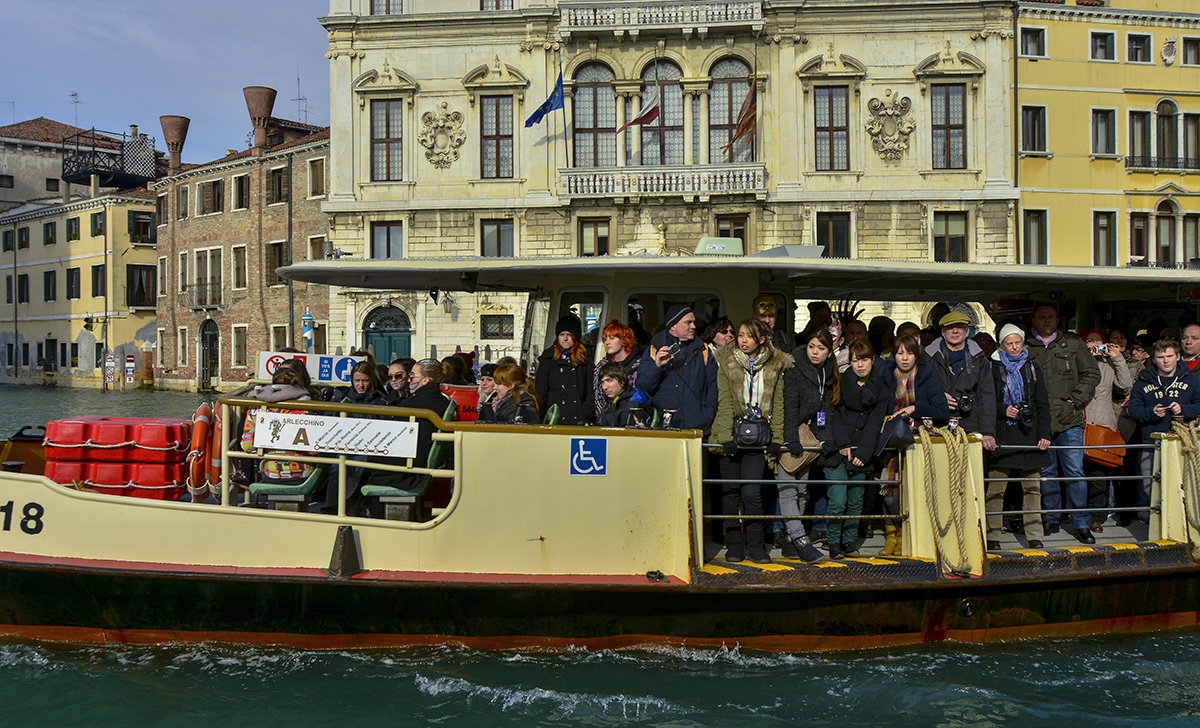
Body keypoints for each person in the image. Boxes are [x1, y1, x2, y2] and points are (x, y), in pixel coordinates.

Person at [710, 319, 792, 563]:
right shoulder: (726, 361)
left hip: (759, 437)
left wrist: (776, 437)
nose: (743, 340)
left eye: (749, 336)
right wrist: (725, 437)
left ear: (762, 339)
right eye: (741, 335)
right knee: (730, 493)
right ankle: (734, 545)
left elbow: (778, 403)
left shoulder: (777, 364)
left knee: (752, 493)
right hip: (731, 433)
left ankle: (756, 546)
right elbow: (724, 401)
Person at [1025, 304, 1100, 543]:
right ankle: (1051, 518)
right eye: (1042, 317)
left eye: (1051, 317)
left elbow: (1092, 373)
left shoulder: (1074, 343)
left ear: (1058, 319)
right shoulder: (1026, 346)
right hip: (1041, 421)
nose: (1047, 321)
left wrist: (1077, 400)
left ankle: (1080, 523)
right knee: (1046, 473)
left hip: (1069, 419)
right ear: (1034, 320)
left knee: (1075, 472)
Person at [878, 333, 949, 554]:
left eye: (909, 353)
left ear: (916, 355)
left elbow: (942, 411)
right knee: (888, 491)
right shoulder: (885, 375)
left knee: (917, 490)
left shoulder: (927, 375)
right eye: (900, 353)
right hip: (891, 441)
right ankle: (892, 536)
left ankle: (912, 535)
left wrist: (915, 408)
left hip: (919, 441)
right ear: (893, 355)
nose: (905, 358)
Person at [983, 324, 1052, 549]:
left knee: (1032, 489)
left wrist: (1044, 433)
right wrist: (1004, 410)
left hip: (1029, 433)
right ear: (1001, 345)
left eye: (1017, 342)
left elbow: (1042, 402)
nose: (1014, 347)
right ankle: (992, 536)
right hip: (1004, 433)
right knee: (996, 489)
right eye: (1009, 343)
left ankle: (1034, 534)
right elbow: (986, 400)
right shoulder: (992, 367)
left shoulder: (1032, 366)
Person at [776, 328, 837, 564]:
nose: (815, 352)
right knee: (788, 490)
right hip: (788, 434)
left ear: (829, 352)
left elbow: (826, 411)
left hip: (809, 438)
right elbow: (788, 406)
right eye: (812, 346)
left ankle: (790, 541)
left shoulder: (829, 374)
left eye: (821, 348)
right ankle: (801, 541)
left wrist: (825, 438)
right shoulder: (794, 368)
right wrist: (791, 439)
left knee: (802, 492)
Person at [824, 340, 889, 559]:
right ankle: (833, 541)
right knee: (838, 499)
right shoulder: (841, 382)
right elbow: (833, 414)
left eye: (864, 360)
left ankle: (849, 541)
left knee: (855, 500)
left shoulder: (881, 387)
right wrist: (842, 443)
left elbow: (875, 421)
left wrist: (863, 453)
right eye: (854, 360)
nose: (859, 365)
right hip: (838, 450)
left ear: (872, 361)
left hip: (862, 450)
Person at [1129, 338, 1200, 521]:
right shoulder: (1143, 380)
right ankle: (1148, 524)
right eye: (1161, 357)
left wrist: (1184, 409)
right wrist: (1151, 412)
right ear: (1153, 359)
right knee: (1148, 485)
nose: (1166, 361)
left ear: (1178, 357)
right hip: (1150, 442)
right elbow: (1134, 410)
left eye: (1169, 356)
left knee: (1182, 485)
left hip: (1182, 444)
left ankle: (1182, 523)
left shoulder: (1192, 380)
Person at [637, 304, 719, 435]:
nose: (693, 326)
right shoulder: (654, 350)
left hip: (697, 428)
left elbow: (713, 387)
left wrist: (707, 415)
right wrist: (657, 366)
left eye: (693, 322)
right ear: (673, 326)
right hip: (663, 430)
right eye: (688, 322)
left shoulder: (703, 350)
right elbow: (643, 387)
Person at [1080, 329, 1132, 532]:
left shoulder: (1109, 365)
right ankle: (1075, 513)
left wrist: (1117, 358)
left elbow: (1126, 384)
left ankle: (1097, 517)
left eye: (1098, 341)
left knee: (1099, 474)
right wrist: (1087, 359)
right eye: (1089, 341)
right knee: (1076, 473)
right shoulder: (1077, 363)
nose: (1094, 344)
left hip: (1102, 425)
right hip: (1079, 424)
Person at [924, 311, 997, 449]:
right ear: (943, 332)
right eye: (950, 328)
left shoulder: (979, 358)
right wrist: (936, 397)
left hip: (970, 424)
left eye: (960, 327)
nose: (955, 331)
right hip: (936, 425)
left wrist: (987, 432)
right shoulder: (928, 357)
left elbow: (986, 396)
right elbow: (918, 387)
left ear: (967, 331)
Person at [239, 367, 317, 485]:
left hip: (271, 471)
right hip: (304, 472)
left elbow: (248, 446)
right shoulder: (306, 408)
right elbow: (314, 451)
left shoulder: (256, 409)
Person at [535, 314, 593, 425]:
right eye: (562, 335)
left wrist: (585, 414)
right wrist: (542, 417)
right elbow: (541, 393)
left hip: (578, 419)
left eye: (569, 335)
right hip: (555, 418)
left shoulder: (585, 359)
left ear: (575, 336)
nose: (565, 339)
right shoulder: (548, 359)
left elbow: (590, 391)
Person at [593, 320, 642, 420]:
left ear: (624, 340)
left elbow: (642, 393)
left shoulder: (640, 364)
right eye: (605, 339)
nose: (607, 342)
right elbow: (597, 396)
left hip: (634, 417)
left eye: (612, 338)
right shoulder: (601, 367)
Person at [596, 362, 654, 428]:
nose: (604, 387)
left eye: (609, 380)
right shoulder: (609, 402)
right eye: (603, 382)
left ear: (622, 381)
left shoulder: (636, 402)